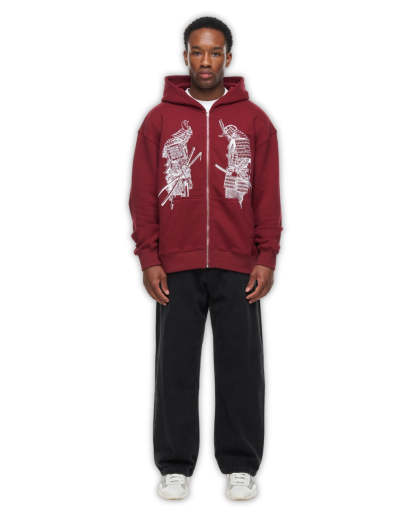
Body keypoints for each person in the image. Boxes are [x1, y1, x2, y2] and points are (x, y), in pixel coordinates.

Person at [128, 16, 283, 500]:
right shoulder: (159, 121)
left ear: (228, 58)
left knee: (241, 366)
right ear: (186, 56)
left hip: (239, 264)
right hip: (175, 264)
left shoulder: (255, 122)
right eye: (197, 51)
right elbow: (142, 197)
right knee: (174, 366)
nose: (206, 61)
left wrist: (266, 256)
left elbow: (268, 195)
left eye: (215, 52)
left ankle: (240, 465)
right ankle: (175, 466)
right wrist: (149, 258)